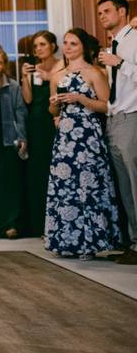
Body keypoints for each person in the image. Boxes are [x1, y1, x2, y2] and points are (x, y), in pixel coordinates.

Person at [45, 28, 120, 259]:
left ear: (83, 47)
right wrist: (55, 104)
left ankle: (90, 242)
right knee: (65, 188)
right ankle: (65, 241)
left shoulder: (95, 73)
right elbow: (52, 111)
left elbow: (107, 106)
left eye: (73, 43)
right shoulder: (57, 75)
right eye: (66, 43)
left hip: (87, 136)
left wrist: (81, 99)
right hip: (65, 138)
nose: (67, 47)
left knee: (87, 187)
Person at [96, 0, 137, 265]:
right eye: (99, 13)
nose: (102, 17)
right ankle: (132, 241)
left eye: (107, 11)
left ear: (122, 12)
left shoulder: (134, 40)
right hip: (114, 118)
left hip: (132, 117)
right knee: (124, 185)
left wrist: (119, 63)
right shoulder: (114, 43)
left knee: (135, 183)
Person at [0, 47, 28, 239]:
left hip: (8, 138)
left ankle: (10, 224)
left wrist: (23, 137)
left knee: (9, 183)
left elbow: (20, 112)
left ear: (4, 65)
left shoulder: (12, 86)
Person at [20, 30, 61, 237]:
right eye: (35, 46)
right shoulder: (33, 69)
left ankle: (57, 223)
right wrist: (25, 78)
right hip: (35, 122)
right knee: (36, 173)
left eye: (42, 44)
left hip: (53, 121)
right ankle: (38, 224)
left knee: (53, 170)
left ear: (53, 45)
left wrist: (49, 77)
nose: (38, 49)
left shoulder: (61, 65)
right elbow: (27, 99)